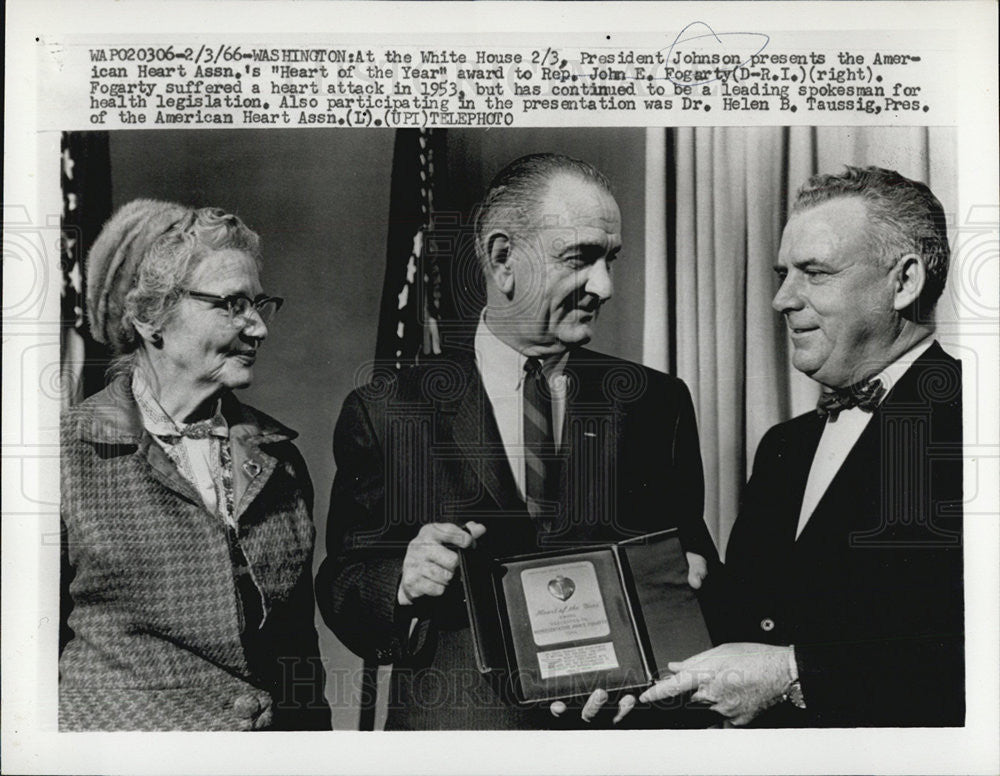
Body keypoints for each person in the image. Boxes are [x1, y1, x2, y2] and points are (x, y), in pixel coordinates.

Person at [315, 153, 718, 729]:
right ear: (503, 258)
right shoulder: (388, 409)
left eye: (611, 260)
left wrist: (692, 577)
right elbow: (344, 583)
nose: (604, 286)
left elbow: (695, 558)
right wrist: (401, 580)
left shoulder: (655, 402)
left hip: (620, 738)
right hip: (462, 738)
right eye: (580, 259)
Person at [635, 166, 963, 727]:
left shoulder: (976, 426)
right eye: (784, 273)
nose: (781, 299)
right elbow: (757, 623)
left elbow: (975, 658)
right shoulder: (784, 446)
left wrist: (795, 674)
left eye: (815, 272)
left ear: (903, 282)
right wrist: (679, 590)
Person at [60, 200, 330, 731]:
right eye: (231, 305)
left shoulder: (280, 461)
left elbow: (299, 653)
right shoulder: (66, 454)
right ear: (148, 317)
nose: (258, 329)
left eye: (259, 304)